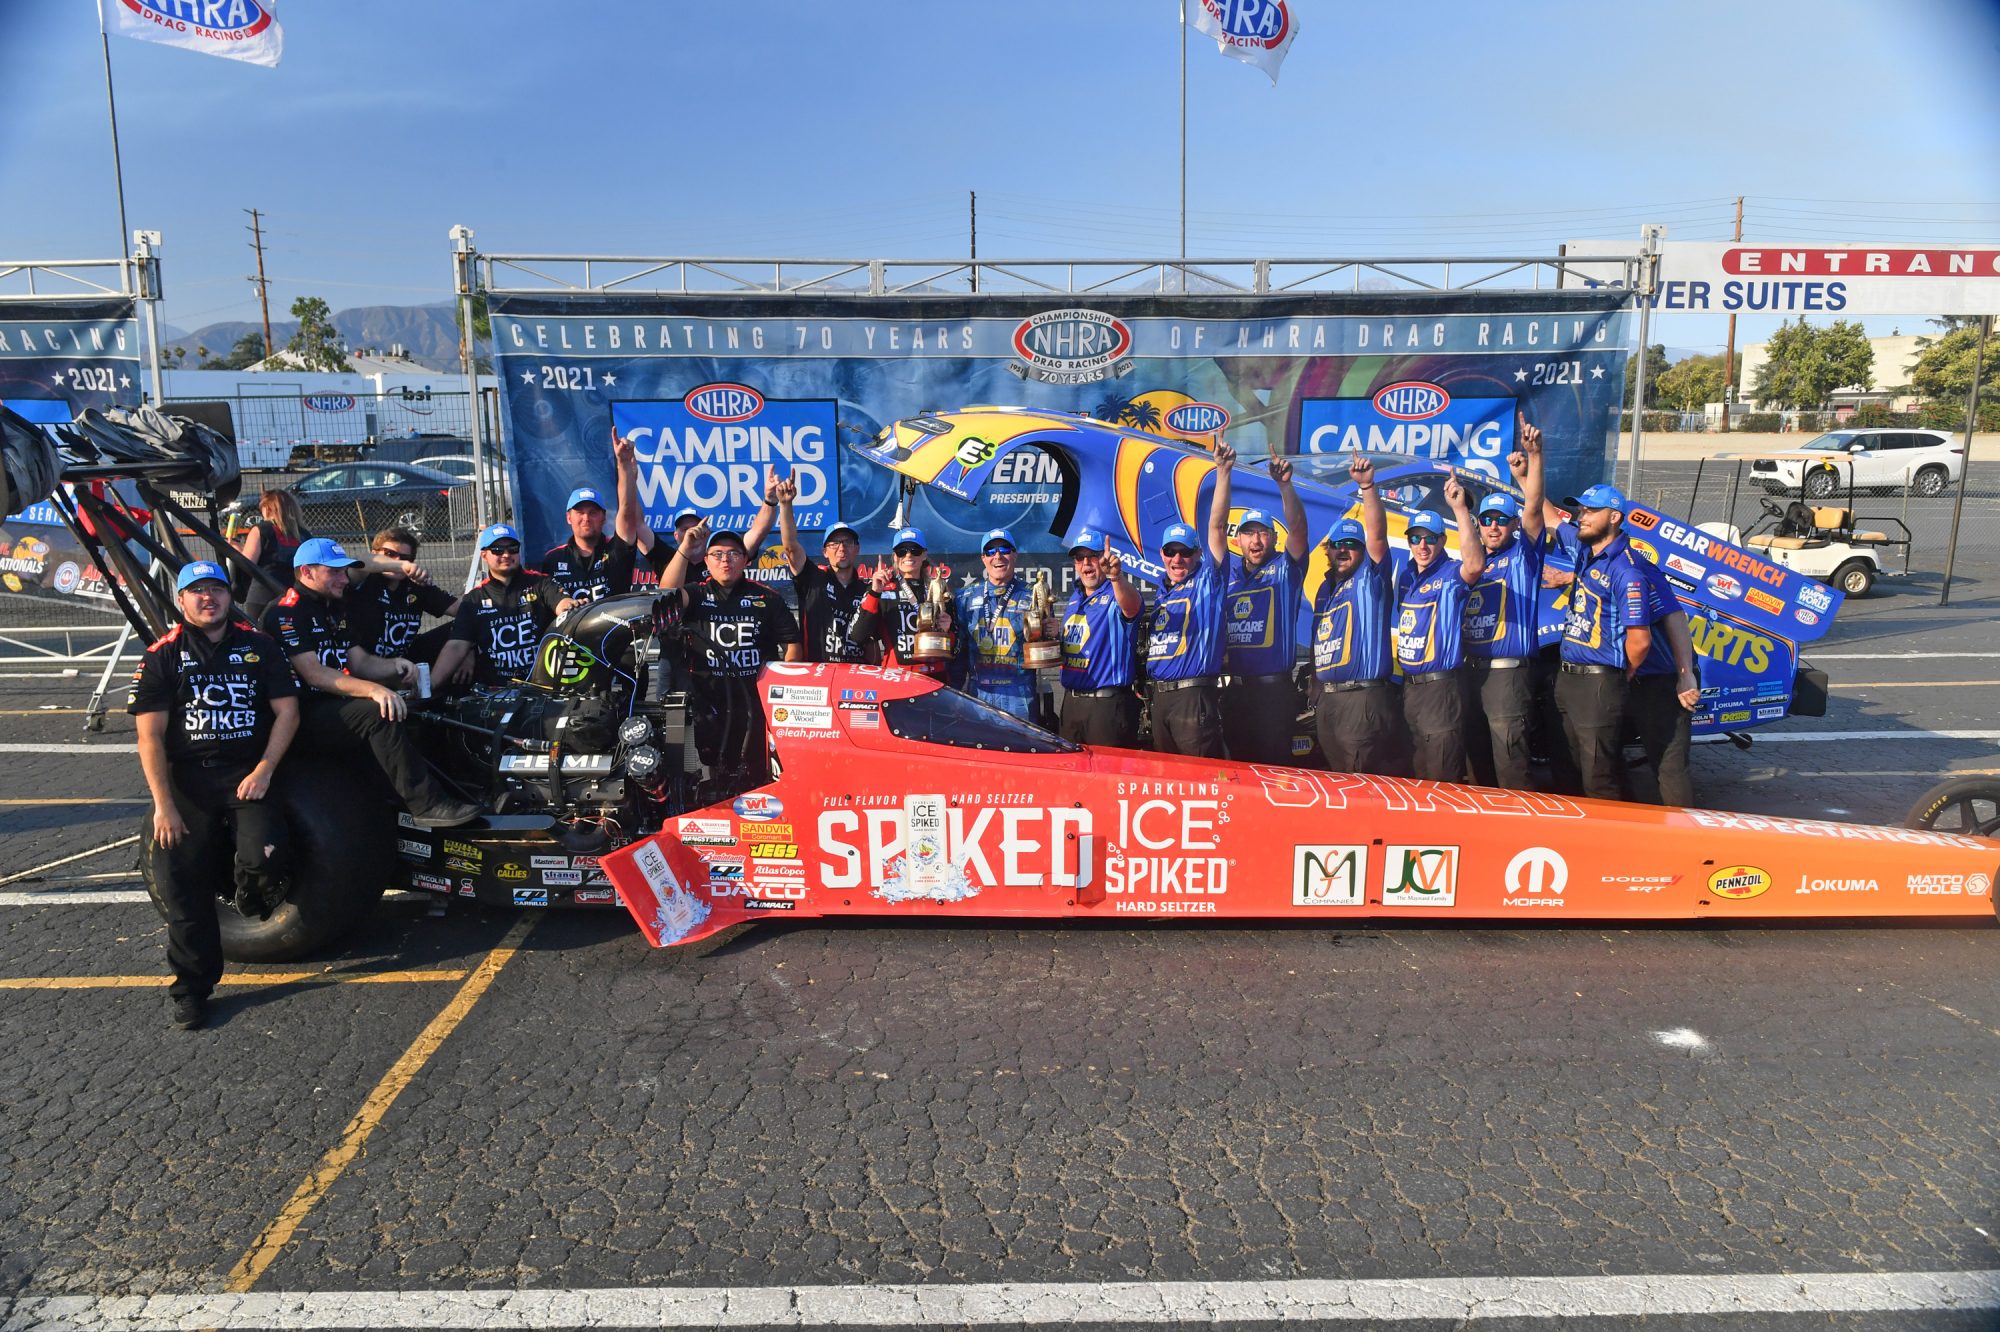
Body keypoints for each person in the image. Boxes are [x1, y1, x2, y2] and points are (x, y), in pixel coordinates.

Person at [132, 561, 300, 1030]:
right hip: (187, 783)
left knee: (265, 857)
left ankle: (248, 894)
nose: (210, 599)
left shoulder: (260, 647)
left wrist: (266, 769)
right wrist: (164, 806)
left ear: (230, 598)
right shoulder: (162, 654)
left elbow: (288, 712)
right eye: (198, 591)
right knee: (182, 891)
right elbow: (150, 738)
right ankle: (191, 991)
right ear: (182, 601)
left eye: (218, 591)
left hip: (248, 775)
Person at [657, 518, 803, 800]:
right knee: (710, 774)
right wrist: (686, 548)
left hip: (754, 704)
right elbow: (666, 594)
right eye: (718, 555)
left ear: (745, 560)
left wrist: (781, 694)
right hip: (707, 703)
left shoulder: (767, 598)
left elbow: (793, 645)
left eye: (734, 554)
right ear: (707, 562)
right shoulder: (697, 593)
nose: (726, 561)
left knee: (756, 776)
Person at [1549, 484, 1654, 801]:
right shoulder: (1585, 551)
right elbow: (1548, 517)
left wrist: (1621, 673)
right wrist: (1529, 469)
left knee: (1598, 778)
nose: (1582, 515)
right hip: (1568, 679)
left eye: (1591, 510)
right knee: (1566, 770)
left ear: (1614, 517)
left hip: (1599, 684)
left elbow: (1640, 641)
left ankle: (1614, 846)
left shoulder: (1627, 570)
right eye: (1582, 509)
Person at [1463, 416, 1548, 790]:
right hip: (1472, 672)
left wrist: (1534, 458)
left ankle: (1521, 837)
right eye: (1487, 520)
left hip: (1507, 674)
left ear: (1513, 525)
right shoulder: (1475, 563)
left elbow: (1533, 511)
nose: (1493, 526)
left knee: (1510, 762)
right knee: (1475, 760)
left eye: (1501, 520)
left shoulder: (1524, 555)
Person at [1216, 452, 1310, 765]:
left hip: (1274, 693)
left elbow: (1298, 530)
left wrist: (1285, 486)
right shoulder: (1228, 576)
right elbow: (1216, 527)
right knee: (1239, 775)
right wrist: (1223, 473)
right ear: (1238, 540)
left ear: (1272, 538)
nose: (1256, 540)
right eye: (1248, 533)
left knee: (1275, 775)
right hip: (1237, 693)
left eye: (1262, 532)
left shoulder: (1286, 570)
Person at [1310, 454, 1401, 774]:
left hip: (1362, 701)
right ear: (1329, 549)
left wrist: (1368, 487)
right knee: (1336, 789)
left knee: (1360, 788)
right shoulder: (1326, 589)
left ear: (1363, 551)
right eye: (1338, 544)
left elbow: (1377, 535)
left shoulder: (1370, 578)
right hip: (1330, 703)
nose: (1344, 550)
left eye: (1352, 544)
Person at [1393, 480, 1485, 782]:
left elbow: (1474, 565)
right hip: (1411, 690)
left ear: (1443, 541)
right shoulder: (1407, 575)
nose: (1422, 545)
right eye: (1415, 538)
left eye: (1430, 538)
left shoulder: (1450, 573)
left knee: (1442, 777)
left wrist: (1459, 508)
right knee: (1418, 775)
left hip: (1441, 690)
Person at [1144, 446, 1233, 757]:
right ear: (1162, 555)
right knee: (1168, 783)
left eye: (1185, 551)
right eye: (1171, 552)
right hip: (1161, 700)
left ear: (1198, 555)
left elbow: (1217, 527)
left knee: (1201, 783)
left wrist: (1223, 472)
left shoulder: (1209, 581)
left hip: (1193, 697)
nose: (1177, 558)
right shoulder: (1162, 591)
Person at [612, 432, 778, 584]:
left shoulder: (724, 557)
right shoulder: (666, 557)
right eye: (685, 529)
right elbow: (636, 523)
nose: (692, 533)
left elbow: (758, 532)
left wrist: (770, 500)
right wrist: (628, 475)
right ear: (676, 536)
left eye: (697, 527)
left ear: (708, 533)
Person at [433, 523, 575, 689]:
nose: (506, 555)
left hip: (542, 685)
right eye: (498, 550)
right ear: (484, 554)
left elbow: (563, 604)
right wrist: (431, 684)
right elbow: (456, 646)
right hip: (495, 690)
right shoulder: (474, 599)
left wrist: (571, 606)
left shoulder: (541, 583)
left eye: (512, 548)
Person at [1058, 530, 1143, 746]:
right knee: (1071, 776)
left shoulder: (1116, 590)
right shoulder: (1075, 597)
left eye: (1093, 556)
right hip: (1072, 704)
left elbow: (1133, 607)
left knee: (1106, 777)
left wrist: (1116, 576)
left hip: (1106, 706)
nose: (1086, 563)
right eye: (1080, 557)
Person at [773, 476, 869, 663]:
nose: (841, 548)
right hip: (817, 673)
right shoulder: (813, 578)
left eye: (848, 543)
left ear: (857, 549)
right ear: (825, 552)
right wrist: (785, 505)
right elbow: (790, 546)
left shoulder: (866, 590)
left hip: (856, 676)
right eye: (835, 543)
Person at [954, 526, 1043, 722]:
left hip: (1020, 693)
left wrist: (1050, 628)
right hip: (978, 692)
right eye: (991, 551)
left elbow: (1046, 643)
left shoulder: (1034, 594)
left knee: (1022, 751)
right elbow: (957, 653)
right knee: (980, 751)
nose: (998, 556)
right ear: (983, 558)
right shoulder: (965, 597)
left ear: (1014, 555)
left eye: (1004, 550)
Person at [847, 526, 955, 681]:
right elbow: (858, 636)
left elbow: (955, 646)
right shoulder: (882, 590)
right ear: (895, 556)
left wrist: (947, 630)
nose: (908, 555)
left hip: (935, 677)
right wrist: (874, 592)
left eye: (915, 550)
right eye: (902, 551)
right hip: (897, 678)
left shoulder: (937, 589)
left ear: (924, 554)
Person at [344, 526, 459, 672]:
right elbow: (363, 562)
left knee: (462, 625)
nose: (397, 560)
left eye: (405, 558)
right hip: (363, 664)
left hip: (406, 659)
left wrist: (468, 650)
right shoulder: (364, 578)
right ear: (375, 553)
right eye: (389, 554)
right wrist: (402, 565)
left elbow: (463, 609)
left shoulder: (415, 585)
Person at [539, 485, 642, 603]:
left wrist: (626, 472)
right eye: (579, 512)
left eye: (592, 513)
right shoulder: (553, 559)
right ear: (569, 518)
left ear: (603, 518)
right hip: (571, 622)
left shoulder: (617, 549)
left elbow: (627, 513)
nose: (586, 518)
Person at [236, 489, 309, 622]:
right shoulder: (304, 535)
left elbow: (248, 563)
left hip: (262, 596)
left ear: (268, 509)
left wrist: (235, 550)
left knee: (260, 638)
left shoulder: (262, 529)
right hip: (294, 597)